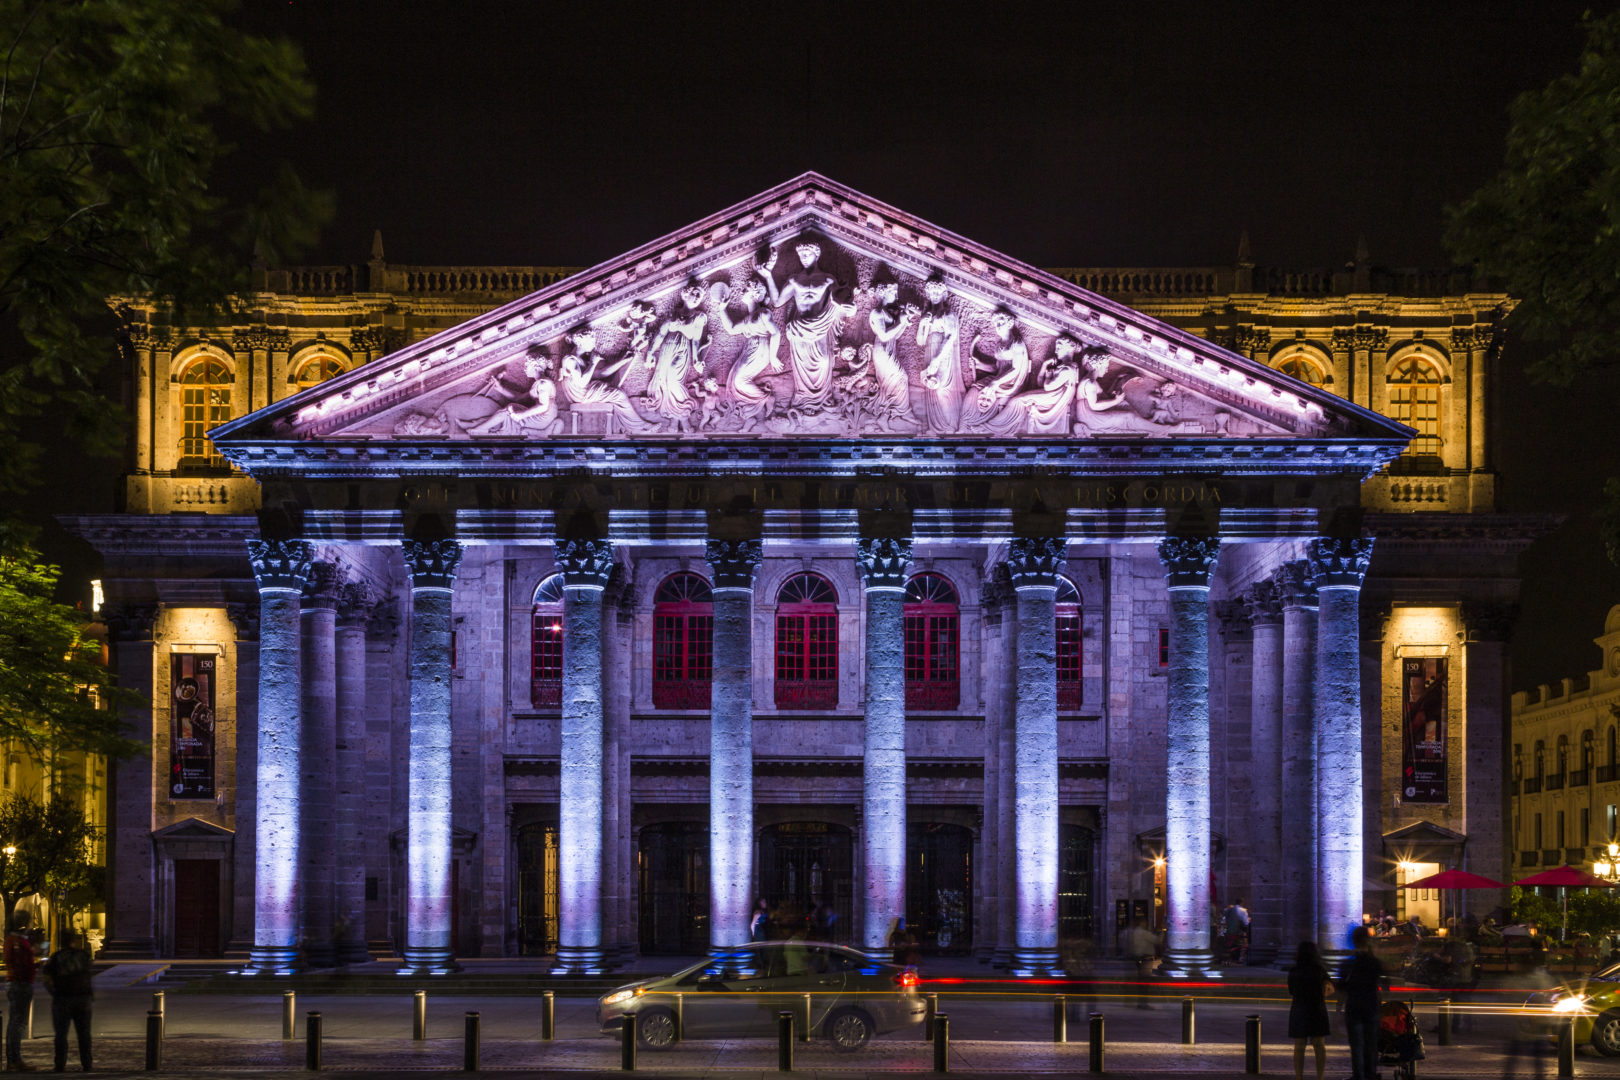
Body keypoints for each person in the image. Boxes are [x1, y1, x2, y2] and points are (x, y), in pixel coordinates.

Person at [1339, 925, 1387, 1080]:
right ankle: (1370, 1074)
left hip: (1354, 1005)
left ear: (1354, 941)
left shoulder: (1349, 963)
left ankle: (1358, 1075)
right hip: (1371, 1005)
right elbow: (1382, 982)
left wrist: (1340, 1006)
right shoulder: (1374, 962)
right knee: (1371, 1043)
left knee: (1357, 1045)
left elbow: (1342, 986)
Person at [41, 931, 92, 1073]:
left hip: (62, 998)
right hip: (82, 998)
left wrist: (54, 992)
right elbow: (88, 975)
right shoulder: (83, 955)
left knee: (61, 1034)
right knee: (84, 1034)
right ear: (73, 941)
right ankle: (87, 1064)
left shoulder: (56, 958)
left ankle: (60, 1064)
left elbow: (46, 979)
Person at [1286, 940, 1332, 1080]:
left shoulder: (1294, 971)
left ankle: (1299, 1077)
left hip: (1299, 1008)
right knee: (1319, 1046)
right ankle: (1320, 1077)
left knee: (1299, 1046)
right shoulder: (1320, 970)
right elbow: (1329, 989)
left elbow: (1292, 991)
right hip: (1317, 1008)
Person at [4, 911, 36, 1071]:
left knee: (15, 1023)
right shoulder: (17, 941)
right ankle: (14, 1060)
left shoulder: (13, 939)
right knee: (17, 1023)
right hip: (20, 983)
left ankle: (13, 1059)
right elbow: (21, 964)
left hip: (18, 982)